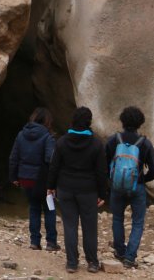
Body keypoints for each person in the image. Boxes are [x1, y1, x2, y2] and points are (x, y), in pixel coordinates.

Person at [48, 106, 107, 274]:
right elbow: (101, 172)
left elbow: (54, 167)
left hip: (65, 189)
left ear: (73, 120)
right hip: (88, 191)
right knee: (89, 227)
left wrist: (50, 187)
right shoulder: (96, 143)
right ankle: (92, 263)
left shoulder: (62, 141)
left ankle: (72, 263)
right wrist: (103, 194)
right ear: (89, 122)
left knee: (70, 226)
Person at [106, 106, 154, 269]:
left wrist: (111, 180)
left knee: (117, 218)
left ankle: (120, 252)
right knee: (137, 222)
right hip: (137, 187)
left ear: (122, 121)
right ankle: (130, 258)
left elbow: (104, 162)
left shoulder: (114, 140)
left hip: (117, 186)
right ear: (140, 123)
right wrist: (141, 179)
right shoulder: (145, 143)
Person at [9, 107, 59, 252]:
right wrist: (54, 181)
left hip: (25, 178)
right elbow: (50, 159)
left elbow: (13, 158)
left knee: (34, 208)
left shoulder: (21, 135)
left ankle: (34, 242)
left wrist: (13, 177)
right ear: (47, 121)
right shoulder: (48, 137)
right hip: (42, 180)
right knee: (49, 209)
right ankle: (51, 242)